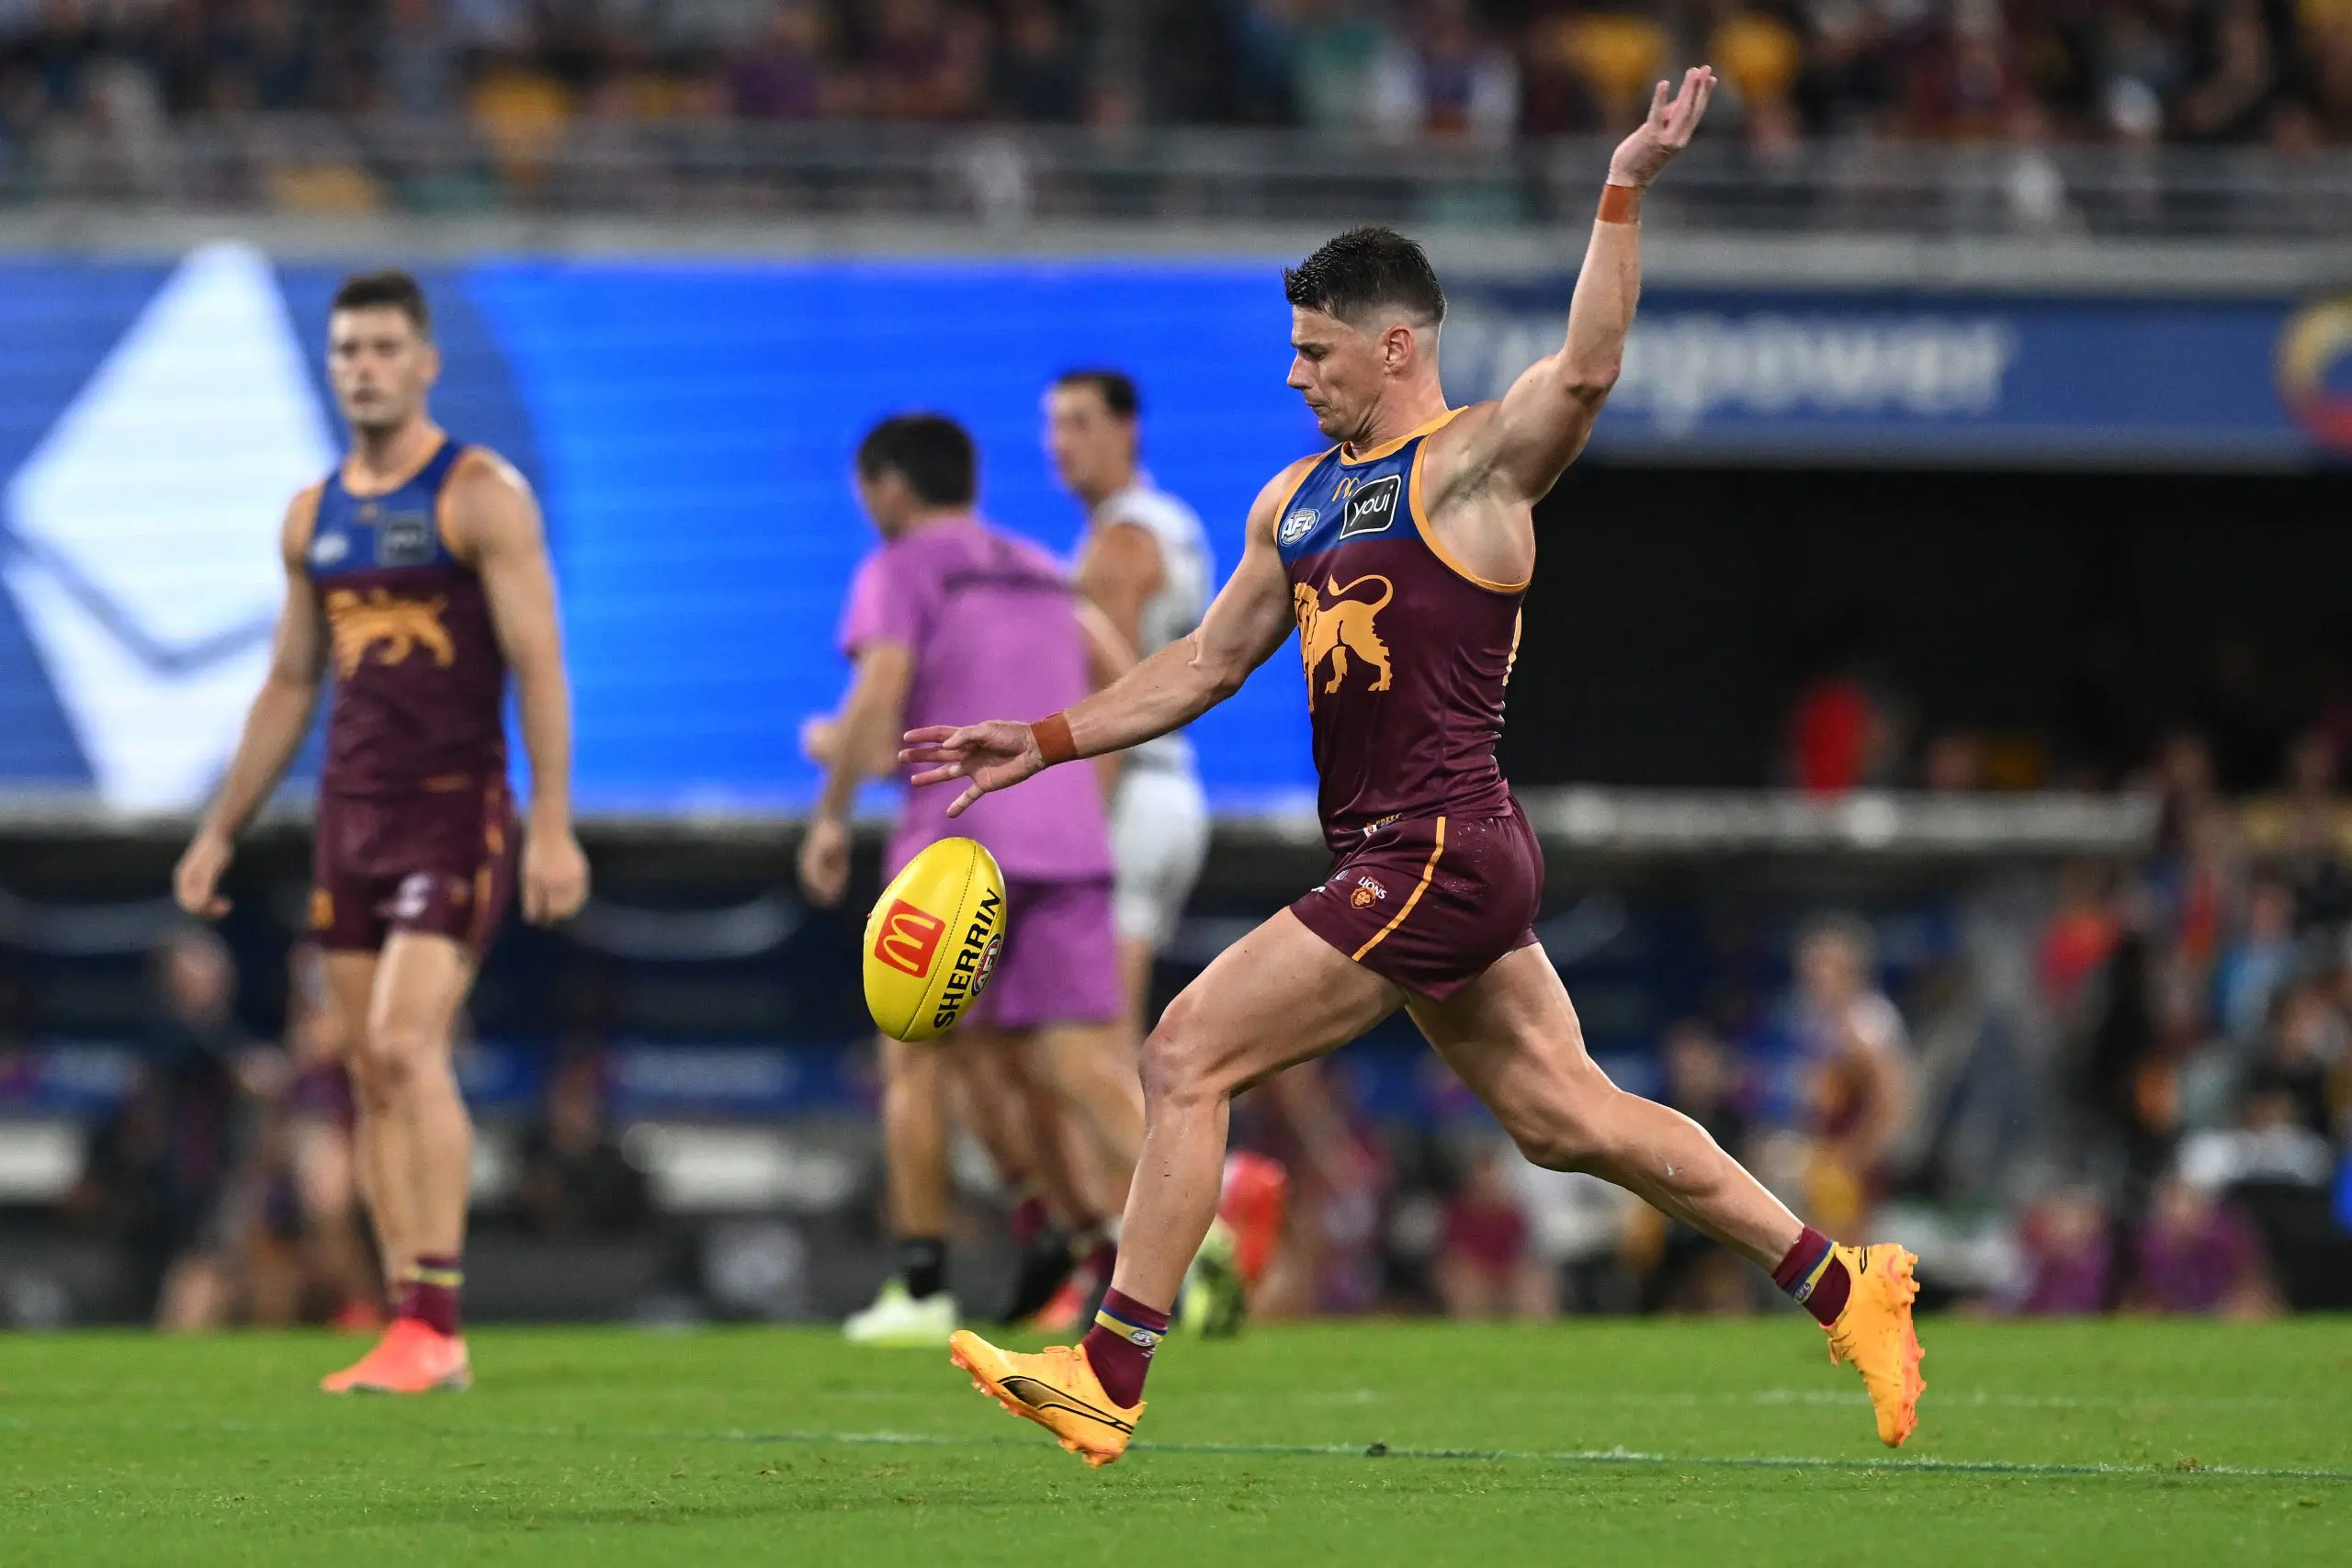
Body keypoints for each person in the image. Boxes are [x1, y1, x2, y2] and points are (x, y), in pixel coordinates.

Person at [910, 68, 1928, 1466]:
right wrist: (1039, 737)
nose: (1293, 374)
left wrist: (1622, 185)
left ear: (1396, 347)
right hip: (1413, 853)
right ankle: (1843, 1282)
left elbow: (1586, 368)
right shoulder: (1299, 497)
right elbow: (1205, 665)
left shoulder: (1472, 470)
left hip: (1435, 845)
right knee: (1573, 1122)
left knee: (1184, 1048)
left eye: (1317, 352)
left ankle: (1110, 1367)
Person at [172, 269, 589, 1393]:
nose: (363, 367)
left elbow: (540, 662)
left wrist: (551, 823)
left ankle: (439, 1318)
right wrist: (219, 830)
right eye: (346, 350)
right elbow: (288, 684)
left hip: (455, 812)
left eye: (382, 348)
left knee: (409, 1047)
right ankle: (411, 1321)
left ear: (425, 362)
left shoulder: (479, 496)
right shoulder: (313, 516)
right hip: (347, 820)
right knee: (363, 1068)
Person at [797, 412, 1145, 1348]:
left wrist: (829, 794)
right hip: (1064, 841)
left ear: (890, 490)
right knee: (1077, 1066)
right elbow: (1116, 672)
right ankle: (1196, 1245)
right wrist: (1082, 797)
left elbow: (877, 715)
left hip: (954, 851)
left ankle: (921, 1290)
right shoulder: (1039, 566)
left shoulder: (901, 566)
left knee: (914, 1062)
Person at [1042, 367, 1260, 1334]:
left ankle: (1194, 1245)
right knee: (1103, 1042)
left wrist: (1072, 832)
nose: (1061, 444)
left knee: (1082, 1042)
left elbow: (1112, 695)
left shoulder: (1122, 542)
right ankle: (1133, 1259)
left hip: (1129, 798)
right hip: (1170, 794)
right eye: (1052, 427)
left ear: (1126, 431)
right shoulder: (1165, 526)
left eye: (1080, 424)